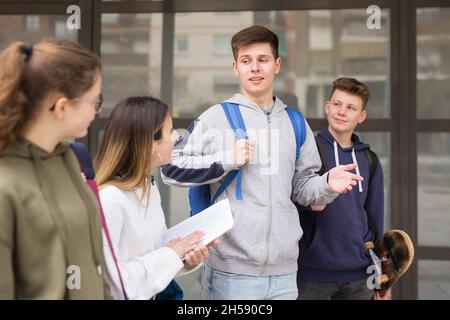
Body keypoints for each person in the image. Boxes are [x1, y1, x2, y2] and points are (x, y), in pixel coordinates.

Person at [161, 25, 363, 300]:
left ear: (277, 64)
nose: (254, 68)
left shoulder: (295, 122)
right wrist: (225, 160)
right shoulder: (215, 117)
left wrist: (327, 184)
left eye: (263, 60)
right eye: (246, 61)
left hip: (284, 275)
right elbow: (171, 169)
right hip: (231, 276)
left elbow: (302, 189)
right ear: (235, 68)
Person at [0, 38, 109, 299]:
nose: (98, 109)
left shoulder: (69, 157)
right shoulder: (6, 185)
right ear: (62, 107)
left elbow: (93, 267)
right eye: (95, 100)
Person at [95, 96, 219, 300]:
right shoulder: (110, 200)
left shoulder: (148, 187)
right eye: (169, 131)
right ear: (148, 142)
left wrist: (185, 257)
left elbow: (155, 255)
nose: (176, 138)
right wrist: (173, 254)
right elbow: (111, 283)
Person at [297, 77, 387, 300]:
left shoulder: (369, 160)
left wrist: (381, 278)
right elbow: (291, 200)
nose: (341, 112)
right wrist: (311, 205)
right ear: (327, 107)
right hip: (311, 275)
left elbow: (375, 221)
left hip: (359, 277)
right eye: (337, 104)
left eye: (351, 107)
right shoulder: (308, 153)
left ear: (361, 116)